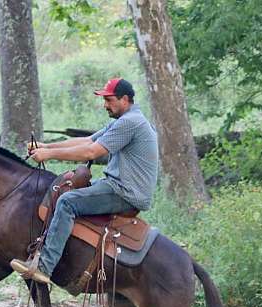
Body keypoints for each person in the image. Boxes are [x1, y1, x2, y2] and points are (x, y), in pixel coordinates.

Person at [10, 78, 159, 283]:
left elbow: (91, 151)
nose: (105, 104)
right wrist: (47, 147)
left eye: (109, 99)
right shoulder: (126, 119)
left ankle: (44, 267)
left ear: (125, 99)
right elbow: (88, 141)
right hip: (118, 185)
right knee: (64, 190)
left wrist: (48, 156)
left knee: (67, 202)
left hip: (125, 192)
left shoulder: (129, 122)